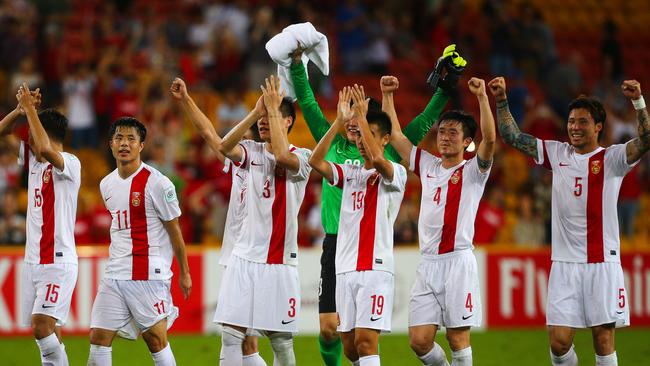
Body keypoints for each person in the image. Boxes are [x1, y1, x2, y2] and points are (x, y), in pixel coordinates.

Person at [289, 44, 466, 366]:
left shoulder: (389, 161)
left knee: (363, 339)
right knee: (335, 334)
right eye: (354, 124)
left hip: (371, 255)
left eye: (365, 126)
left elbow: (422, 123)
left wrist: (443, 92)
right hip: (337, 247)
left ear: (379, 134)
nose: (357, 130)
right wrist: (297, 65)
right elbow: (308, 103)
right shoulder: (339, 153)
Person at [489, 76, 650, 366]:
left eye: (583, 122)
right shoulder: (557, 152)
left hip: (601, 262)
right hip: (564, 263)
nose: (574, 127)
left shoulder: (612, 159)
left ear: (598, 127)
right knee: (559, 343)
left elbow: (646, 140)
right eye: (572, 121)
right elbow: (512, 136)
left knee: (603, 341)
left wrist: (638, 102)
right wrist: (501, 99)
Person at [388, 77, 496, 366]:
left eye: (453, 132)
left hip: (457, 263)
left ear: (467, 142)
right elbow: (396, 138)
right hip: (428, 263)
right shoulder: (427, 164)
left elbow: (491, 139)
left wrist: (483, 97)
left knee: (457, 339)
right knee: (419, 341)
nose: (445, 136)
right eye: (442, 131)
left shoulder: (474, 171)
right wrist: (387, 96)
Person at [214, 75, 311, 366]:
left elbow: (282, 156)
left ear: (289, 122)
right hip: (243, 258)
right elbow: (223, 146)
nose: (263, 122)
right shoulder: (252, 151)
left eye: (271, 116)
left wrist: (269, 107)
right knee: (231, 335)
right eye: (262, 118)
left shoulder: (303, 157)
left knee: (281, 343)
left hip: (279, 262)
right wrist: (254, 112)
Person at [169, 77, 265, 365]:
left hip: (256, 256)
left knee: (234, 336)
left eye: (245, 135)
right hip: (235, 253)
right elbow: (207, 131)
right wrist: (186, 99)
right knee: (246, 342)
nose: (239, 139)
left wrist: (262, 112)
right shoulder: (234, 161)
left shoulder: (269, 161)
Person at [309, 84, 406, 366]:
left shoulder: (394, 172)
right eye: (361, 135)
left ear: (386, 140)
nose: (362, 140)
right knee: (350, 347)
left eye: (370, 135)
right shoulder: (349, 172)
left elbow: (377, 159)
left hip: (374, 267)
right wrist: (339, 121)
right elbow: (316, 160)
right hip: (345, 266)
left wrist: (360, 118)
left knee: (365, 341)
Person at [87, 117, 192, 366]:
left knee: (155, 339)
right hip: (115, 272)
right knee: (98, 336)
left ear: (141, 146)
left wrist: (184, 272)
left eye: (131, 139)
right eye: (119, 138)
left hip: (147, 272)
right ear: (110, 144)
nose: (124, 143)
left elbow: (174, 230)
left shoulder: (158, 183)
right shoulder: (106, 184)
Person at [0, 84, 80, 366]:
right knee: (48, 332)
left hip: (57, 261)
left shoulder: (70, 164)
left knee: (41, 325)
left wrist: (31, 110)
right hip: (33, 261)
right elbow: (1, 134)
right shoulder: (34, 162)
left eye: (32, 132)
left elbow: (45, 146)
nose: (29, 138)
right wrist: (20, 110)